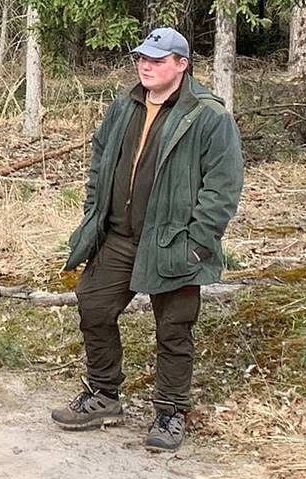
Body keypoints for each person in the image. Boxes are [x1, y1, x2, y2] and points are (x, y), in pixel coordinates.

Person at [52, 26, 244, 453]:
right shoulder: (125, 104)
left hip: (174, 241)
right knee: (94, 306)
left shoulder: (208, 115)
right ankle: (103, 395)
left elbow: (223, 187)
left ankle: (171, 412)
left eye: (157, 60)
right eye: (142, 58)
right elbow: (101, 160)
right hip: (118, 236)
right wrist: (93, 212)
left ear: (182, 64)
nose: (145, 66)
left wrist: (198, 242)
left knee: (174, 329)